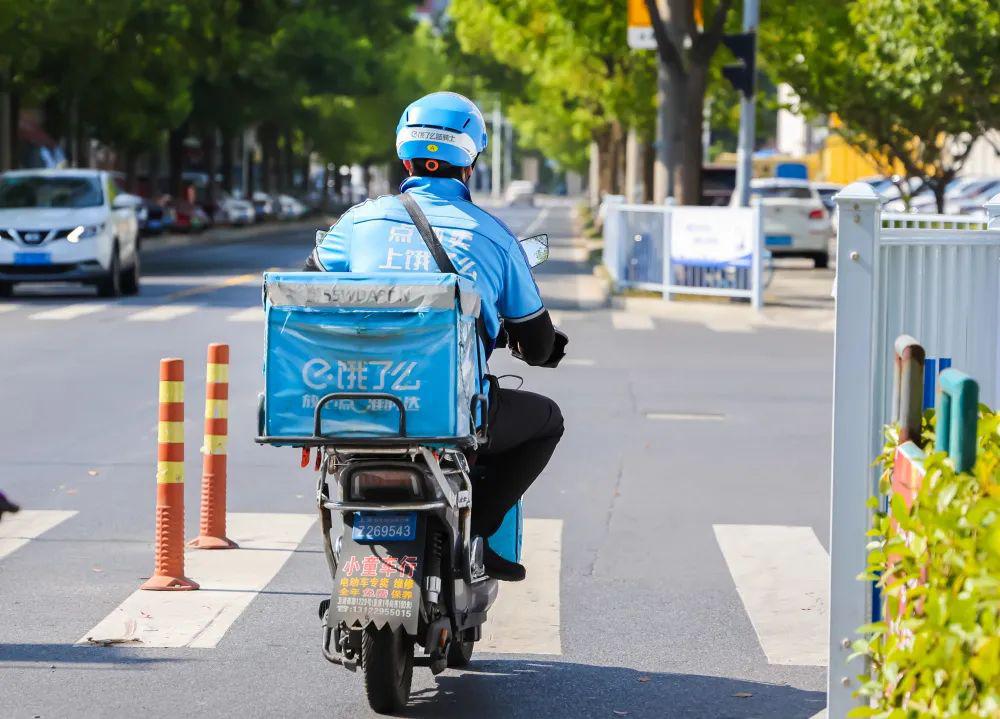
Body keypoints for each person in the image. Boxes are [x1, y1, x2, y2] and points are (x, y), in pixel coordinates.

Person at [304, 92, 565, 581]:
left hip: (351, 399)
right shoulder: (493, 237)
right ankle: (481, 532)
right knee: (547, 420)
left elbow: (309, 294)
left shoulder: (358, 222)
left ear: (405, 156)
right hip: (450, 411)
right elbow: (536, 341)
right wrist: (544, 348)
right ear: (471, 163)